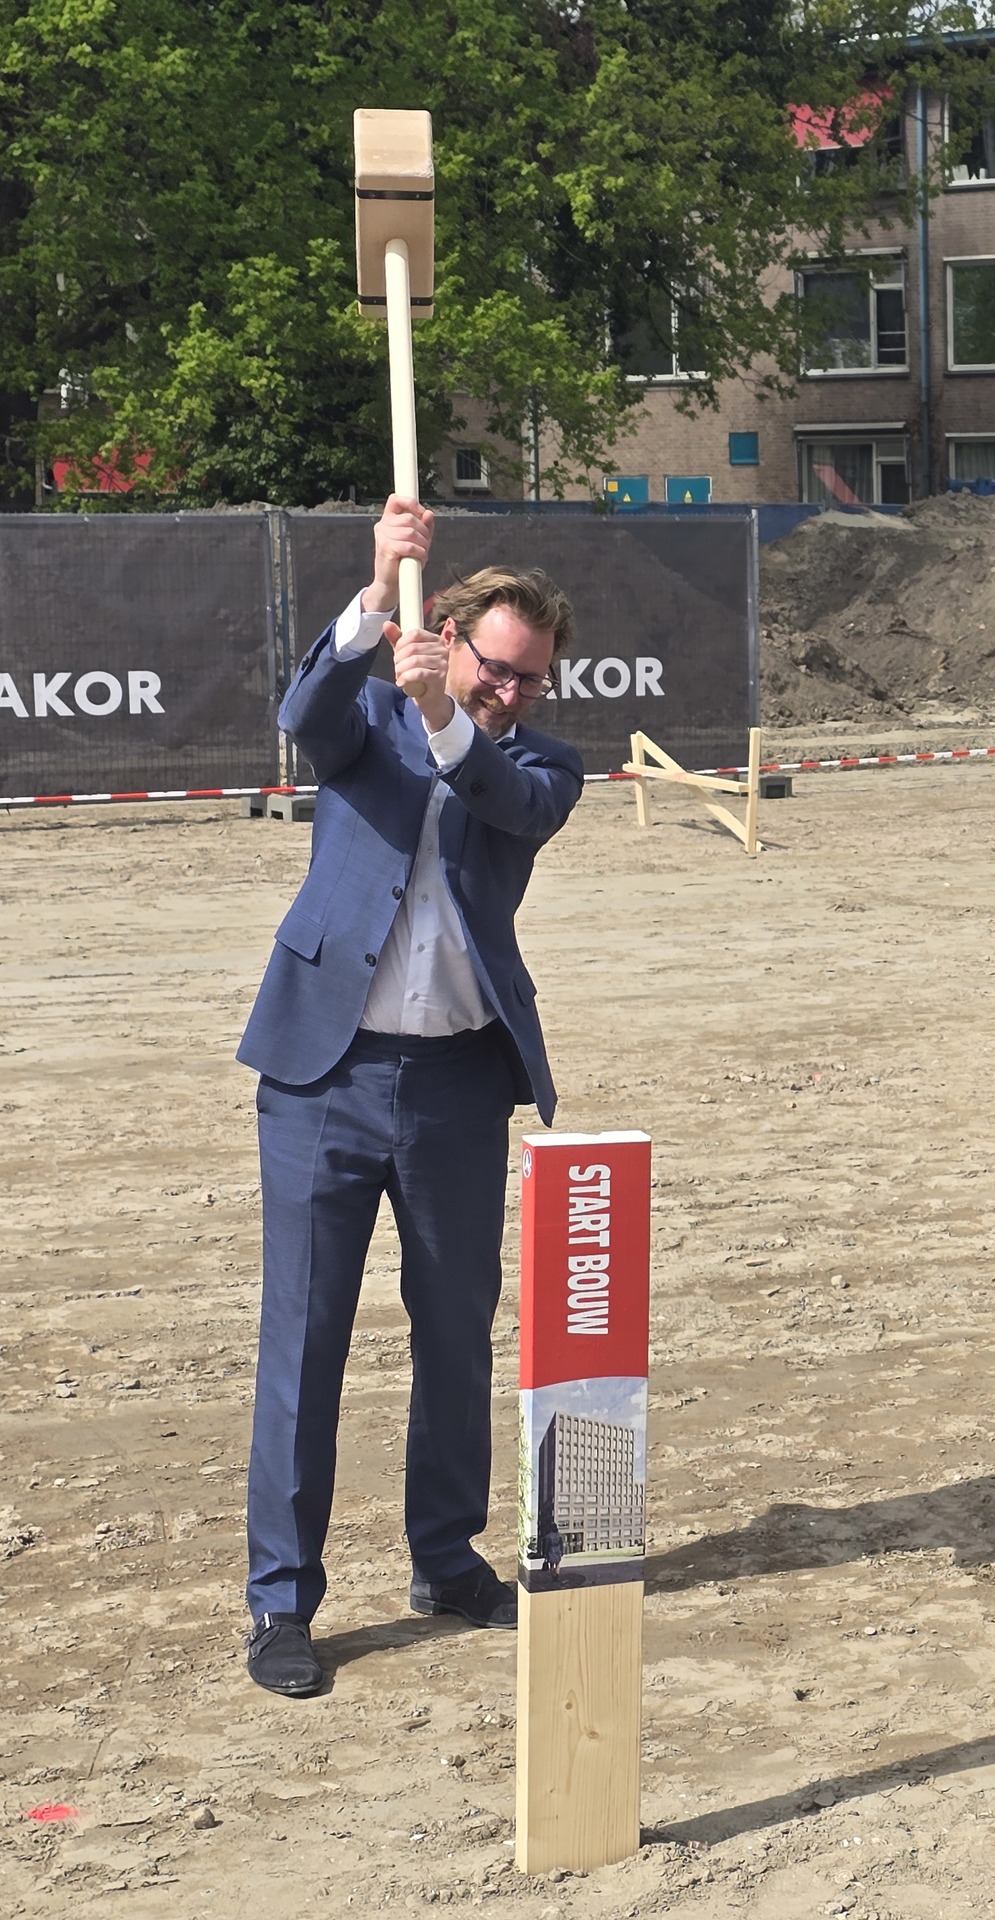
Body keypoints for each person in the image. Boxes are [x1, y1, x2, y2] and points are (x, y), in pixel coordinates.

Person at [235, 497, 583, 1695]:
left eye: (532, 680)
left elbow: (510, 803)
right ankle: (282, 1602)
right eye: (498, 669)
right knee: (306, 1338)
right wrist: (376, 595)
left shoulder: (538, 761)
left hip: (451, 1084)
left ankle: (447, 1555)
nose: (514, 694)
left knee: (454, 1331)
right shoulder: (368, 712)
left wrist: (455, 715)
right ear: (448, 634)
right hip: (322, 1076)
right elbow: (301, 718)